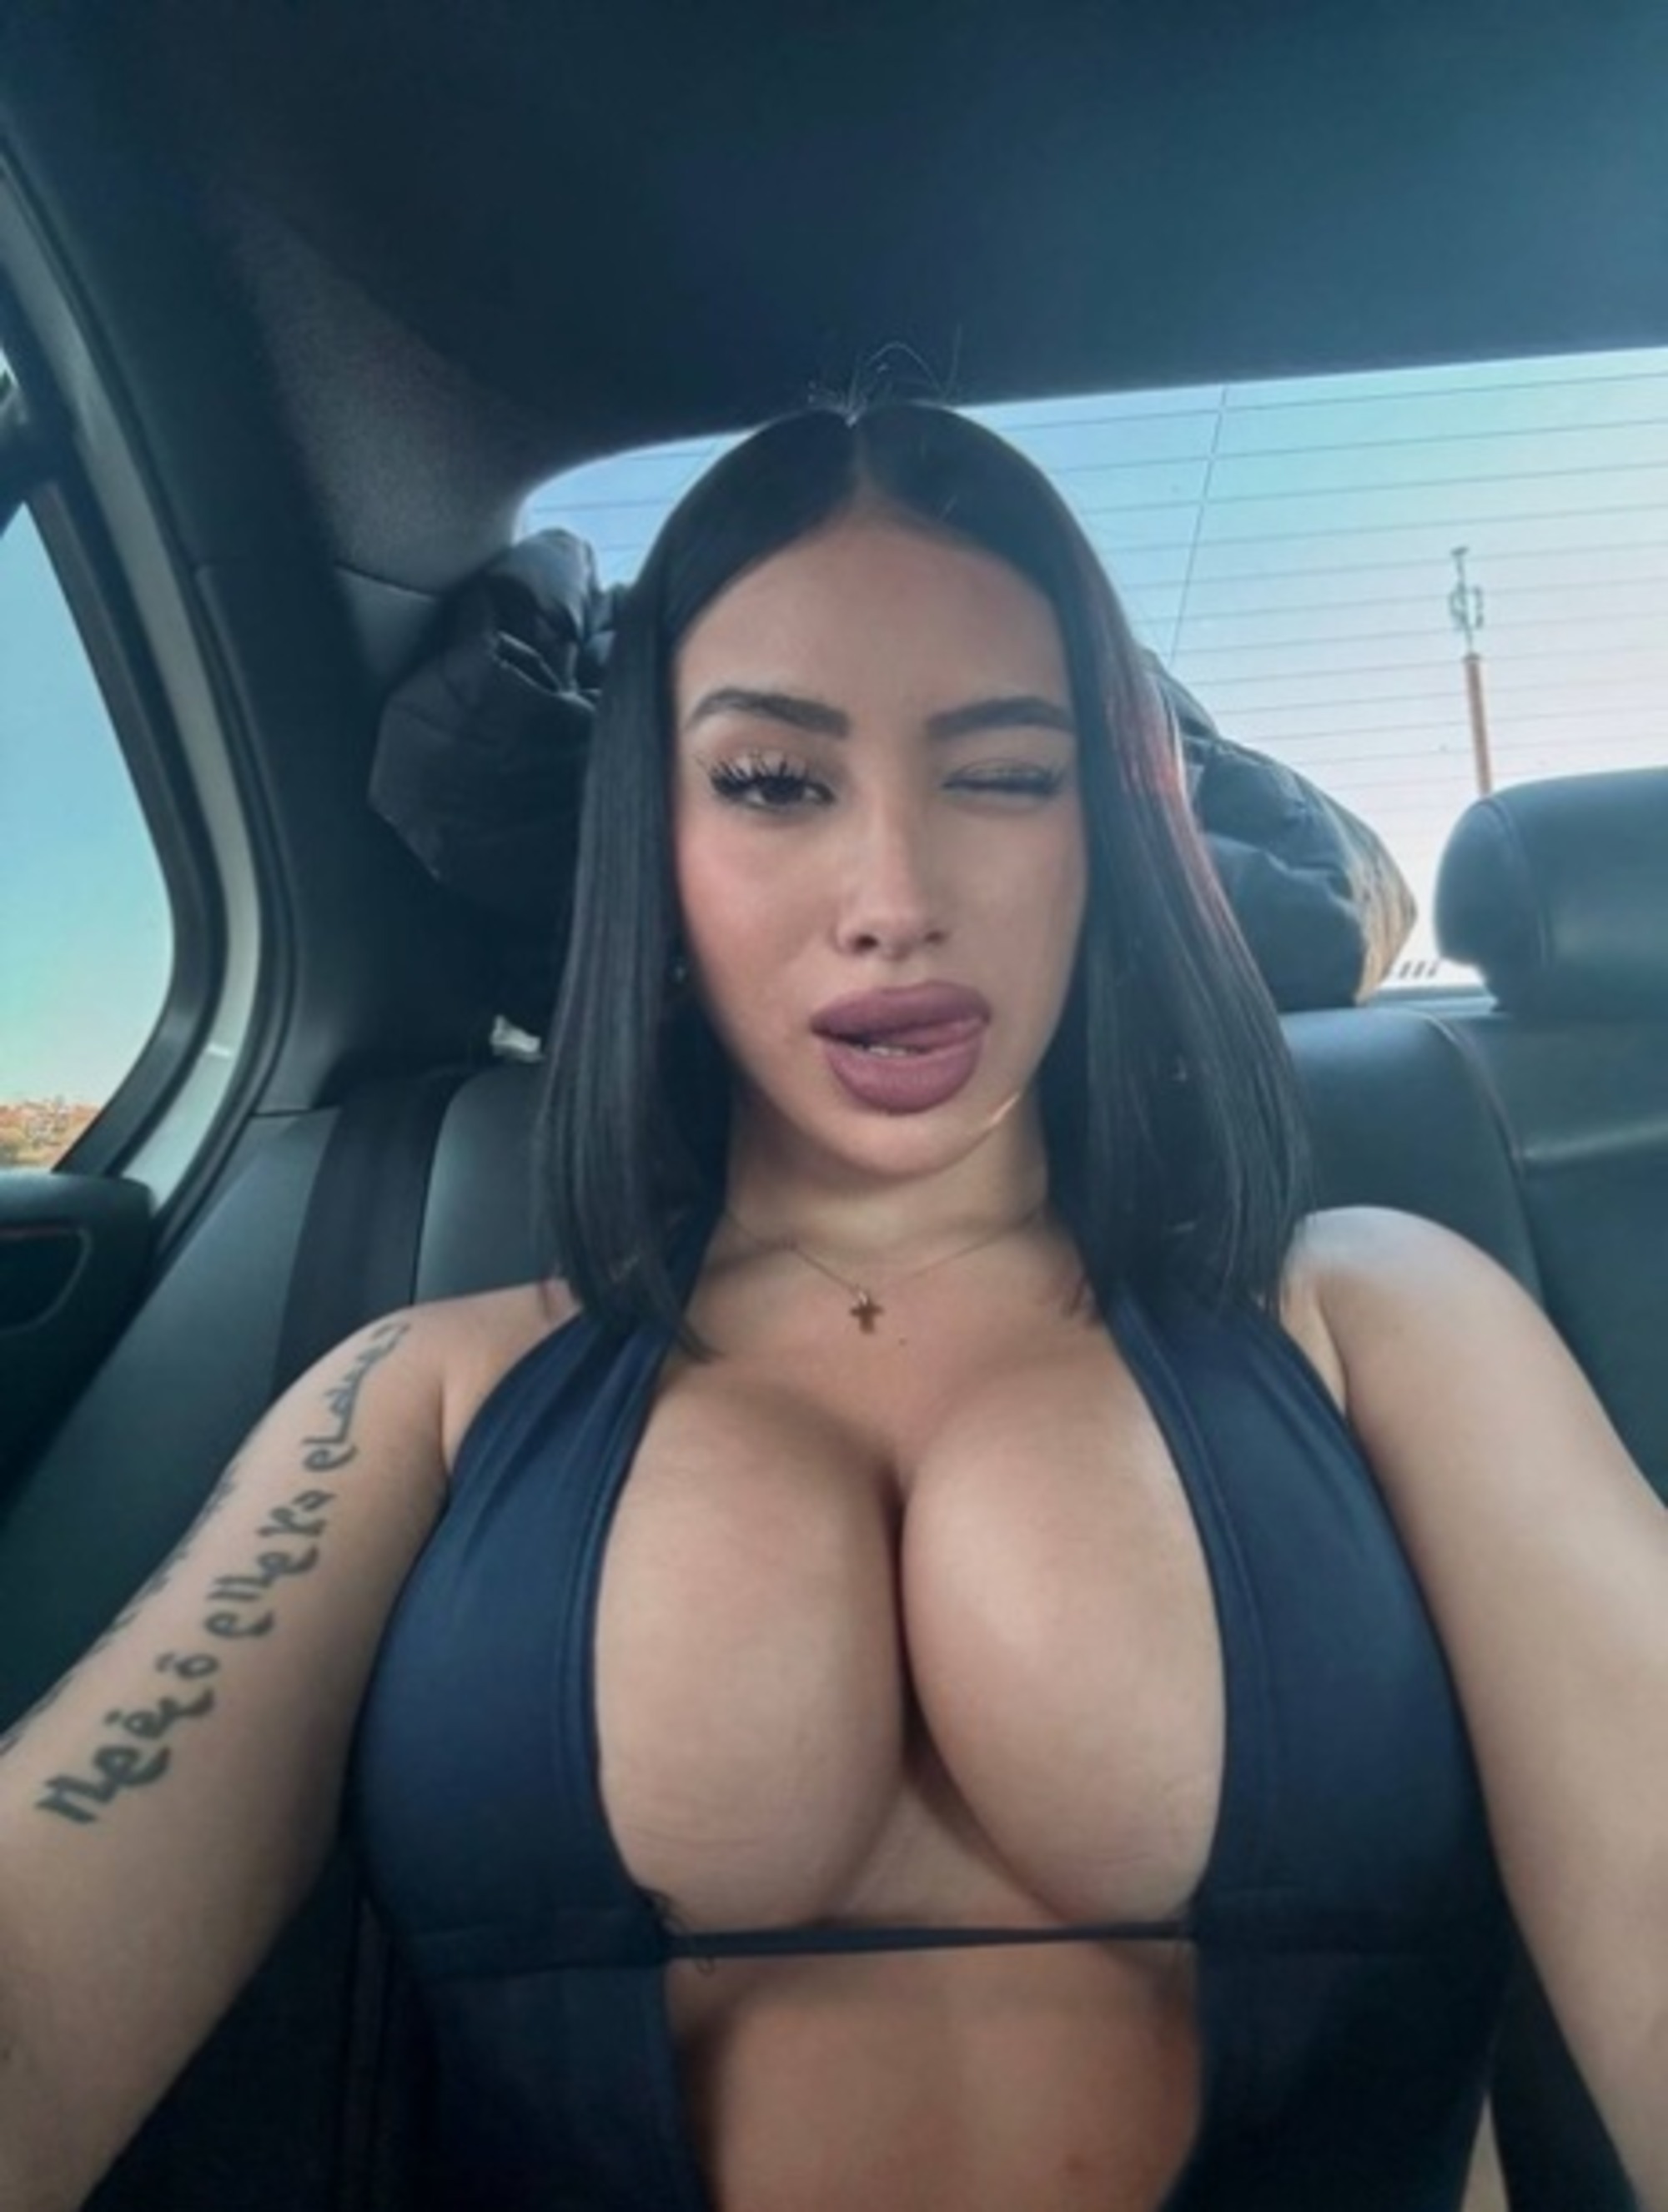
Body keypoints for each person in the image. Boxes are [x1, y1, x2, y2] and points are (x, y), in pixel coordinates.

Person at [1, 402, 1665, 2212]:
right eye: (774, 782)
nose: (895, 901)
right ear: (656, 836)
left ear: (1105, 834)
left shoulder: (1383, 1318)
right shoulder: (415, 1394)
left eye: (1004, 775)